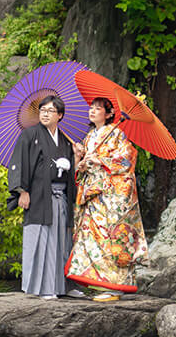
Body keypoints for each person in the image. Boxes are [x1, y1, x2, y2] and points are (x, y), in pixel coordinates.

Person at [66, 97, 147, 301]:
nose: (92, 112)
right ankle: (100, 283)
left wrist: (100, 160)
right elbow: (81, 169)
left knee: (111, 238)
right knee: (93, 238)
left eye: (98, 109)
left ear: (109, 114)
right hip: (92, 194)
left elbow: (126, 160)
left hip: (110, 196)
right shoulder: (89, 136)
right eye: (91, 108)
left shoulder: (117, 134)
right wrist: (80, 161)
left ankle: (115, 286)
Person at [8, 94, 76, 299]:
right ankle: (42, 289)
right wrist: (22, 191)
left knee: (61, 242)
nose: (45, 114)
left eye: (50, 111)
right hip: (38, 196)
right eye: (42, 110)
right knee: (41, 240)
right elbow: (18, 162)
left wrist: (76, 158)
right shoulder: (30, 135)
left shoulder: (65, 140)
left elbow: (71, 172)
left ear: (60, 115)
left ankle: (62, 287)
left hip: (60, 197)